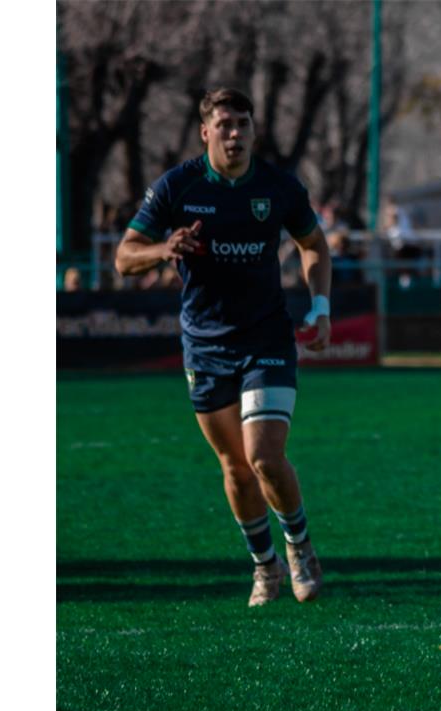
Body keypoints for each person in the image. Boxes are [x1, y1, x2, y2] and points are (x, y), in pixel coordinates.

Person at [114, 87, 331, 607]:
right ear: (205, 132)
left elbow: (313, 244)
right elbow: (124, 257)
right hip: (205, 343)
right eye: (225, 125)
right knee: (234, 465)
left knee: (263, 455)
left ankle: (299, 547)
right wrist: (165, 247)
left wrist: (320, 306)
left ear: (255, 130)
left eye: (243, 124)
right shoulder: (178, 186)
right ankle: (265, 567)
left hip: (267, 337)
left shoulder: (277, 186)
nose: (235, 134)